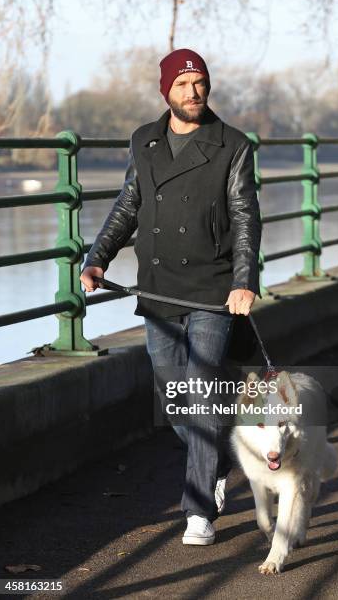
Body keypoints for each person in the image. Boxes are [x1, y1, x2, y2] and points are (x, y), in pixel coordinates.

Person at [80, 48, 262, 545]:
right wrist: (98, 257)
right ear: (167, 91)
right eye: (182, 85)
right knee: (174, 398)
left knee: (201, 392)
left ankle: (198, 509)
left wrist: (244, 281)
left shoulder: (232, 145)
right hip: (158, 290)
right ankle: (220, 459)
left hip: (212, 290)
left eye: (200, 82)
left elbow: (246, 216)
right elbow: (128, 203)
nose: (193, 92)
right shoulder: (145, 141)